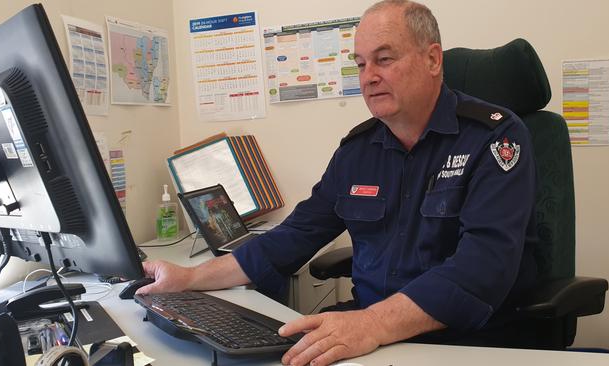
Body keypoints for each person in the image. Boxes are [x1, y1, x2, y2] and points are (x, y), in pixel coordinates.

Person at [137, 1, 537, 365]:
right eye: (361, 64)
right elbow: (293, 236)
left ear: (433, 60)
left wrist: (372, 324)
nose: (369, 77)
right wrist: (189, 278)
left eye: (384, 59)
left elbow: (483, 267)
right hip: (370, 335)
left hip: (464, 340)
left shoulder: (494, 138)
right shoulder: (357, 151)